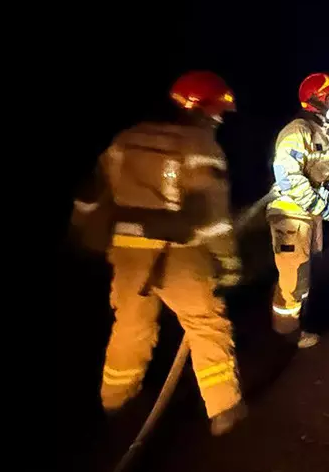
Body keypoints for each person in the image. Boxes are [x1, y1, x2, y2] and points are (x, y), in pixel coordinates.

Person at [71, 70, 248, 436]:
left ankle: (114, 403)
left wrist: (83, 236)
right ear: (200, 108)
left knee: (131, 326)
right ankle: (224, 408)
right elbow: (213, 219)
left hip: (127, 253)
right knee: (206, 323)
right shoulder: (199, 144)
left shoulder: (125, 139)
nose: (218, 119)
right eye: (216, 111)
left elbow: (91, 196)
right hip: (180, 252)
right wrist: (228, 265)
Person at [267, 72, 329, 348]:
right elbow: (289, 178)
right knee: (294, 277)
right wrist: (322, 205)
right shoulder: (296, 132)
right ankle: (287, 334)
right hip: (290, 216)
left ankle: (299, 321)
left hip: (309, 216)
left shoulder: (325, 133)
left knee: (305, 274)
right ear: (317, 101)